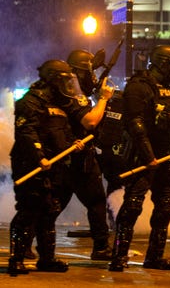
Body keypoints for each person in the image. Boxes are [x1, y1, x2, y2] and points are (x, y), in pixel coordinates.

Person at [108, 45, 170, 271]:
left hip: (166, 155)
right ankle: (119, 256)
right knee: (132, 205)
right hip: (141, 155)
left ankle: (154, 257)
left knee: (165, 207)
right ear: (163, 63)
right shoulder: (139, 86)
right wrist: (148, 156)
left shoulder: (169, 89)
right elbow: (135, 124)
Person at [8, 60, 87, 275]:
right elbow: (27, 132)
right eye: (65, 80)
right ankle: (16, 258)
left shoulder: (60, 103)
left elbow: (62, 130)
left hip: (55, 165)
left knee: (49, 211)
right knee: (28, 210)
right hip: (31, 164)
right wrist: (39, 156)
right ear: (53, 79)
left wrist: (73, 143)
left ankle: (47, 258)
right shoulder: (31, 101)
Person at [55, 49, 115, 260]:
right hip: (73, 157)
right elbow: (90, 121)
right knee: (93, 201)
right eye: (88, 73)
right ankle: (100, 248)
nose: (92, 78)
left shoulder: (69, 93)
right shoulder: (70, 95)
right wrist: (104, 99)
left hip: (75, 156)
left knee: (56, 204)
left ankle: (101, 247)